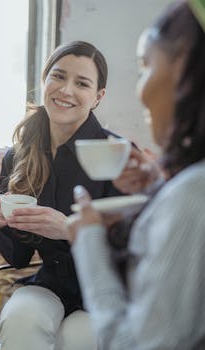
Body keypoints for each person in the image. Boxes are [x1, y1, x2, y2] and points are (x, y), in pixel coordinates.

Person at [69, 1, 205, 349]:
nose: (139, 90)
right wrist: (157, 192)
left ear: (186, 66)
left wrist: (88, 241)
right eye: (57, 76)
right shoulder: (185, 188)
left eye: (145, 65)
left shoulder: (193, 193)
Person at [0, 41, 124, 350]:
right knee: (20, 318)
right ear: (44, 80)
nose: (66, 90)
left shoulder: (118, 156)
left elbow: (134, 249)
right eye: (59, 76)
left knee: (77, 337)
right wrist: (4, 222)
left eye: (82, 83)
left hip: (105, 291)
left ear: (98, 97)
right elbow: (19, 258)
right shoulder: (18, 155)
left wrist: (69, 229)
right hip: (49, 283)